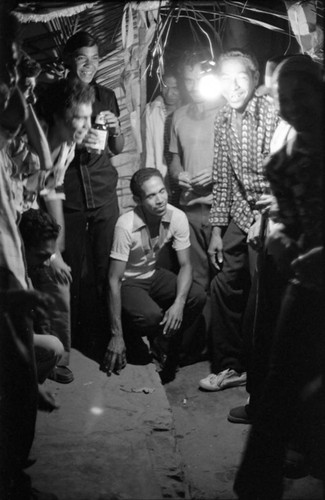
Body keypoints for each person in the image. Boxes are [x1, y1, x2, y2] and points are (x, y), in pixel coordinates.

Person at [234, 55, 324, 500]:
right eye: (285, 99)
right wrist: (285, 239)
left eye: (301, 96)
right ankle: (256, 484)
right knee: (281, 379)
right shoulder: (283, 162)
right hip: (307, 285)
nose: (293, 107)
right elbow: (289, 221)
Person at [0, 10, 58, 499]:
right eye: (8, 74)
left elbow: (39, 163)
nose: (14, 87)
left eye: (13, 73)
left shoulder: (4, 150)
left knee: (19, 396)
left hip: (11, 295)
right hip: (4, 300)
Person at [199, 49, 279, 392]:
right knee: (223, 282)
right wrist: (217, 229)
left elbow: (286, 166)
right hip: (241, 212)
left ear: (255, 79)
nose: (233, 86)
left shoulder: (271, 112)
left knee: (260, 292)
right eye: (225, 79)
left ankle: (260, 373)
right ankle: (230, 364)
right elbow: (224, 176)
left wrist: (273, 207)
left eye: (240, 78)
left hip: (272, 212)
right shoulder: (221, 118)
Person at [101, 168, 206, 383]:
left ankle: (163, 345)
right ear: (138, 199)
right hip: (128, 282)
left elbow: (186, 265)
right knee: (151, 316)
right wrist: (116, 335)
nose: (160, 200)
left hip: (153, 274)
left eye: (162, 191)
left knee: (197, 296)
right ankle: (133, 335)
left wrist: (178, 303)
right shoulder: (126, 225)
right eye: (151, 196)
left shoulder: (176, 216)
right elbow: (113, 280)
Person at [61, 31, 124, 349]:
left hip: (102, 193)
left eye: (96, 58)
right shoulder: (54, 96)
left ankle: (104, 337)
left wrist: (115, 128)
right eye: (82, 57)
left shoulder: (107, 95)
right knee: (67, 270)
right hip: (69, 195)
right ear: (69, 60)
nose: (90, 64)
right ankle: (67, 341)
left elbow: (118, 147)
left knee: (105, 268)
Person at [169, 51, 221, 293]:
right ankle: (199, 329)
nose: (194, 86)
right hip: (189, 209)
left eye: (200, 79)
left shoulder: (226, 111)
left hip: (219, 209)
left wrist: (215, 172)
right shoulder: (178, 116)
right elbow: (174, 158)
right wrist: (179, 174)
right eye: (188, 80)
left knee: (222, 277)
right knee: (196, 280)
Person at [145, 65, 181, 203]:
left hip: (183, 171)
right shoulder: (152, 111)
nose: (169, 93)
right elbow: (150, 149)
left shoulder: (187, 113)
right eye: (165, 87)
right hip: (163, 172)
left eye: (175, 87)